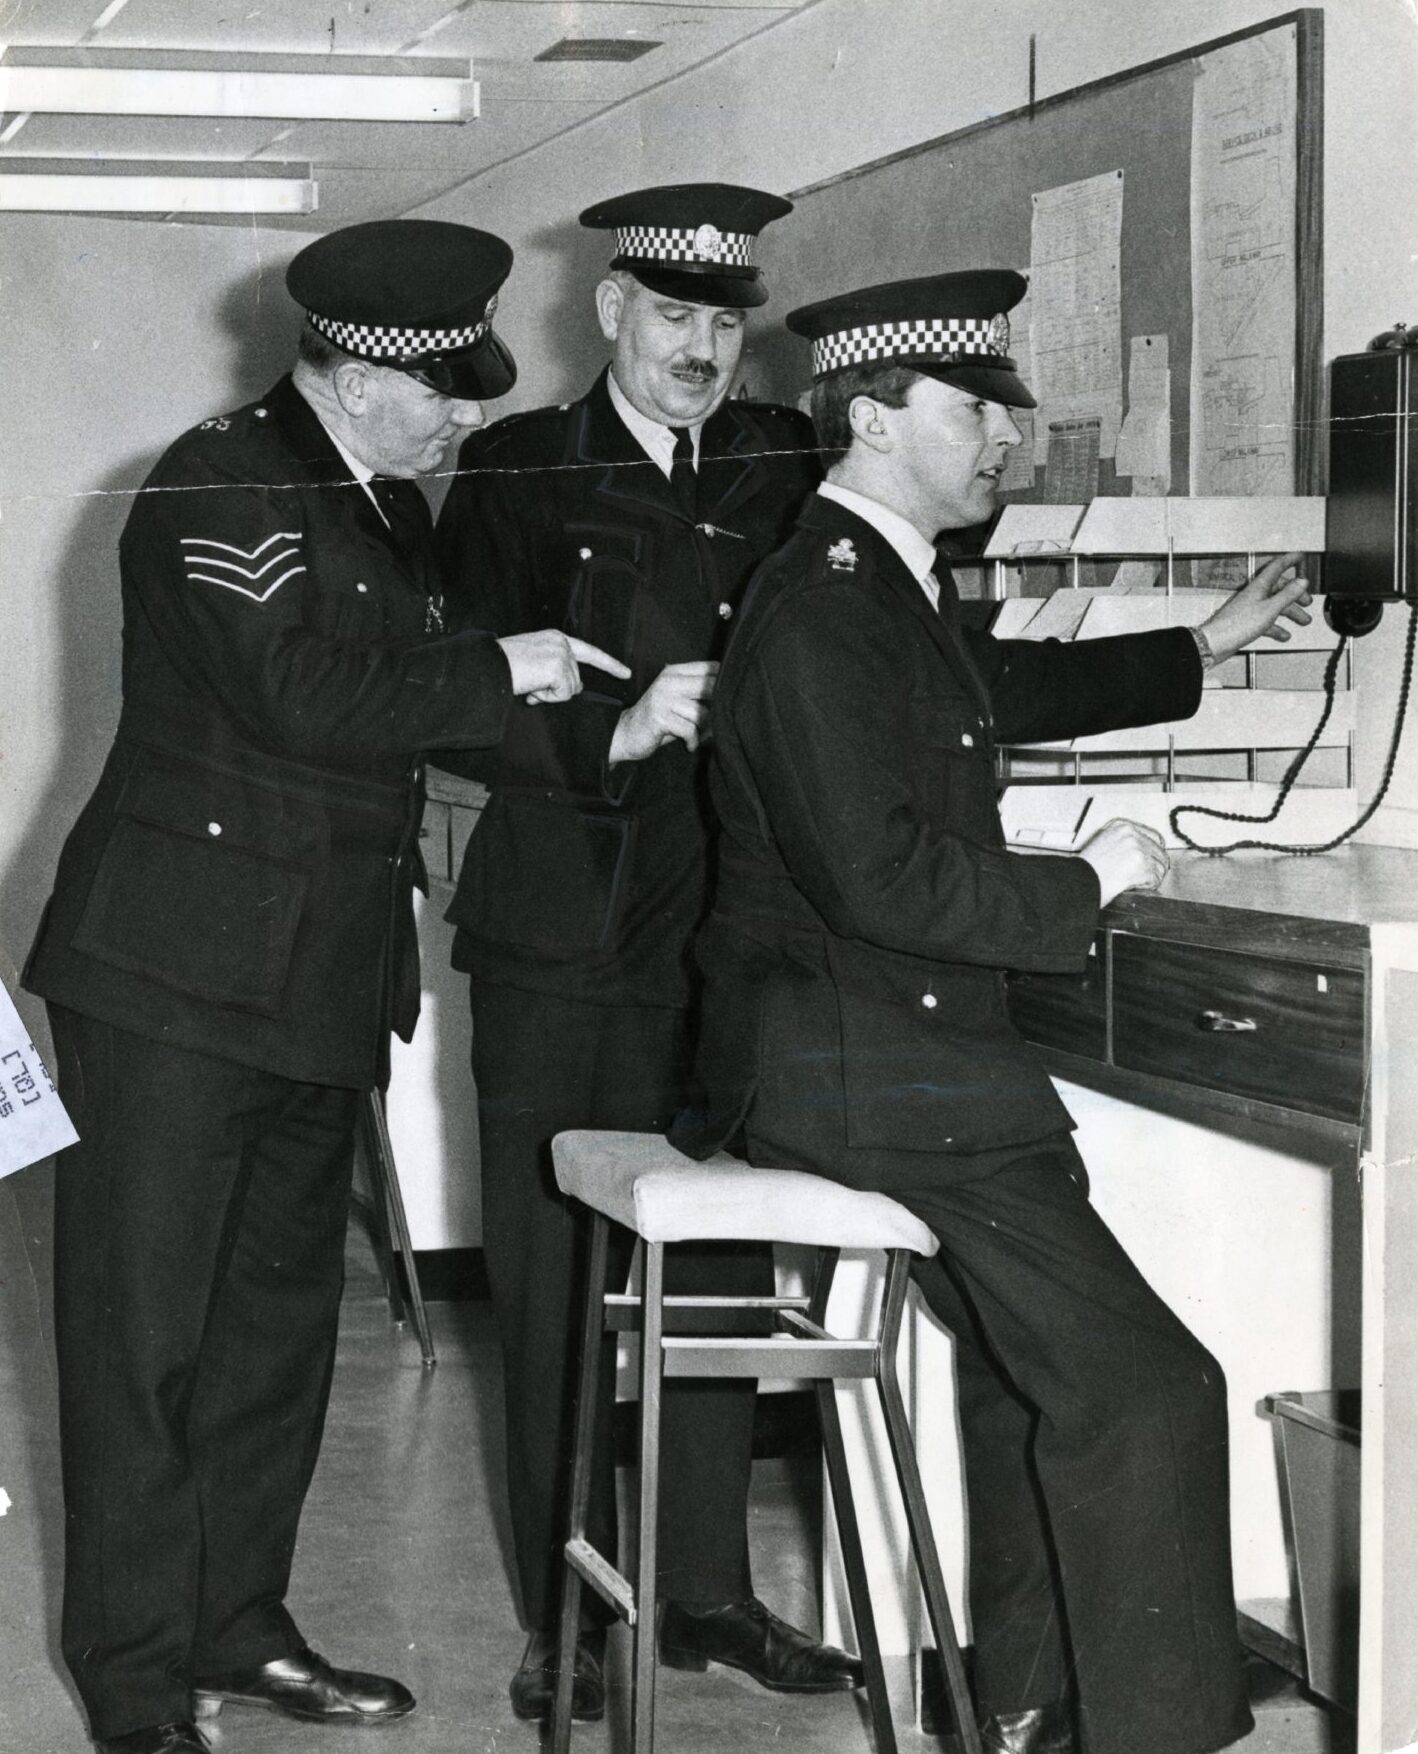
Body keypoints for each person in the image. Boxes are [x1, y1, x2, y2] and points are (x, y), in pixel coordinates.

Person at [668, 270, 1314, 1754]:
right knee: (1149, 1388)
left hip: (868, 1047)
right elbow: (881, 877)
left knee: (1055, 1384)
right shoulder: (825, 607)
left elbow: (979, 691)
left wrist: (1196, 651)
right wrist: (1081, 881)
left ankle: (1027, 1703)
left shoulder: (864, 576)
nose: (1005, 442)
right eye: (978, 411)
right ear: (878, 416)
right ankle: (1147, 1724)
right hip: (870, 1068)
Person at [23, 218, 628, 1754]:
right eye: (442, 390)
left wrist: (607, 722)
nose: (469, 411)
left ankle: (241, 1621)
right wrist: (507, 669)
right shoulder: (221, 482)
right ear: (355, 376)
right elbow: (299, 692)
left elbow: (420, 706)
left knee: (277, 1337)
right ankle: (141, 1681)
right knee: (141, 1345)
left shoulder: (375, 500)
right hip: (166, 983)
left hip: (310, 981)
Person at [434, 184, 855, 1722]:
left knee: (724, 1270)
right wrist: (608, 730)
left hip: (735, 930)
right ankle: (570, 1604)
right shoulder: (517, 468)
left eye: (725, 321)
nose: (700, 348)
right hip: (563, 923)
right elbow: (461, 689)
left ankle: (706, 1595)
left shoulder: (786, 459)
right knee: (553, 1276)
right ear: (608, 312)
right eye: (671, 315)